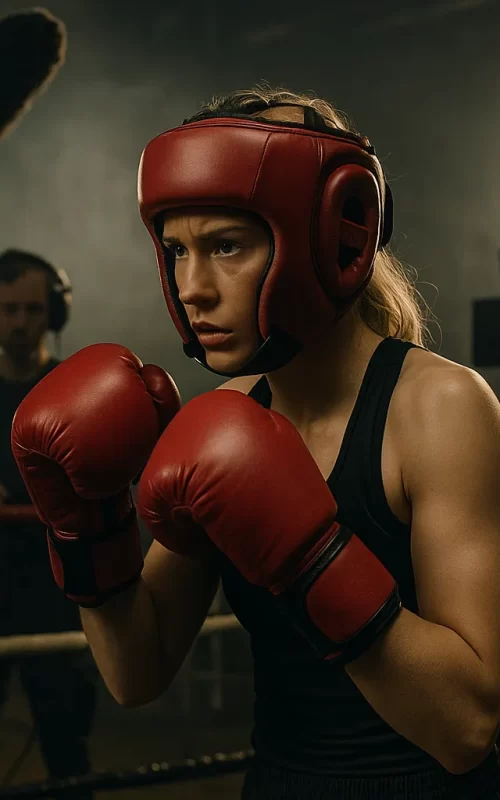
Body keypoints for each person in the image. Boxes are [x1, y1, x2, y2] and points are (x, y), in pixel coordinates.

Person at [11, 87, 500, 799]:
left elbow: (466, 730)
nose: (192, 288)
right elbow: (136, 671)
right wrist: (87, 525)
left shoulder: (439, 409)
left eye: (226, 246)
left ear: (331, 237)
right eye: (176, 250)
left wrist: (310, 561)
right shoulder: (223, 420)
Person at [0, 249, 96, 799]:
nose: (18, 322)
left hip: (54, 581)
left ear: (52, 315)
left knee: (64, 733)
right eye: (7, 308)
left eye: (31, 309)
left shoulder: (73, 393)